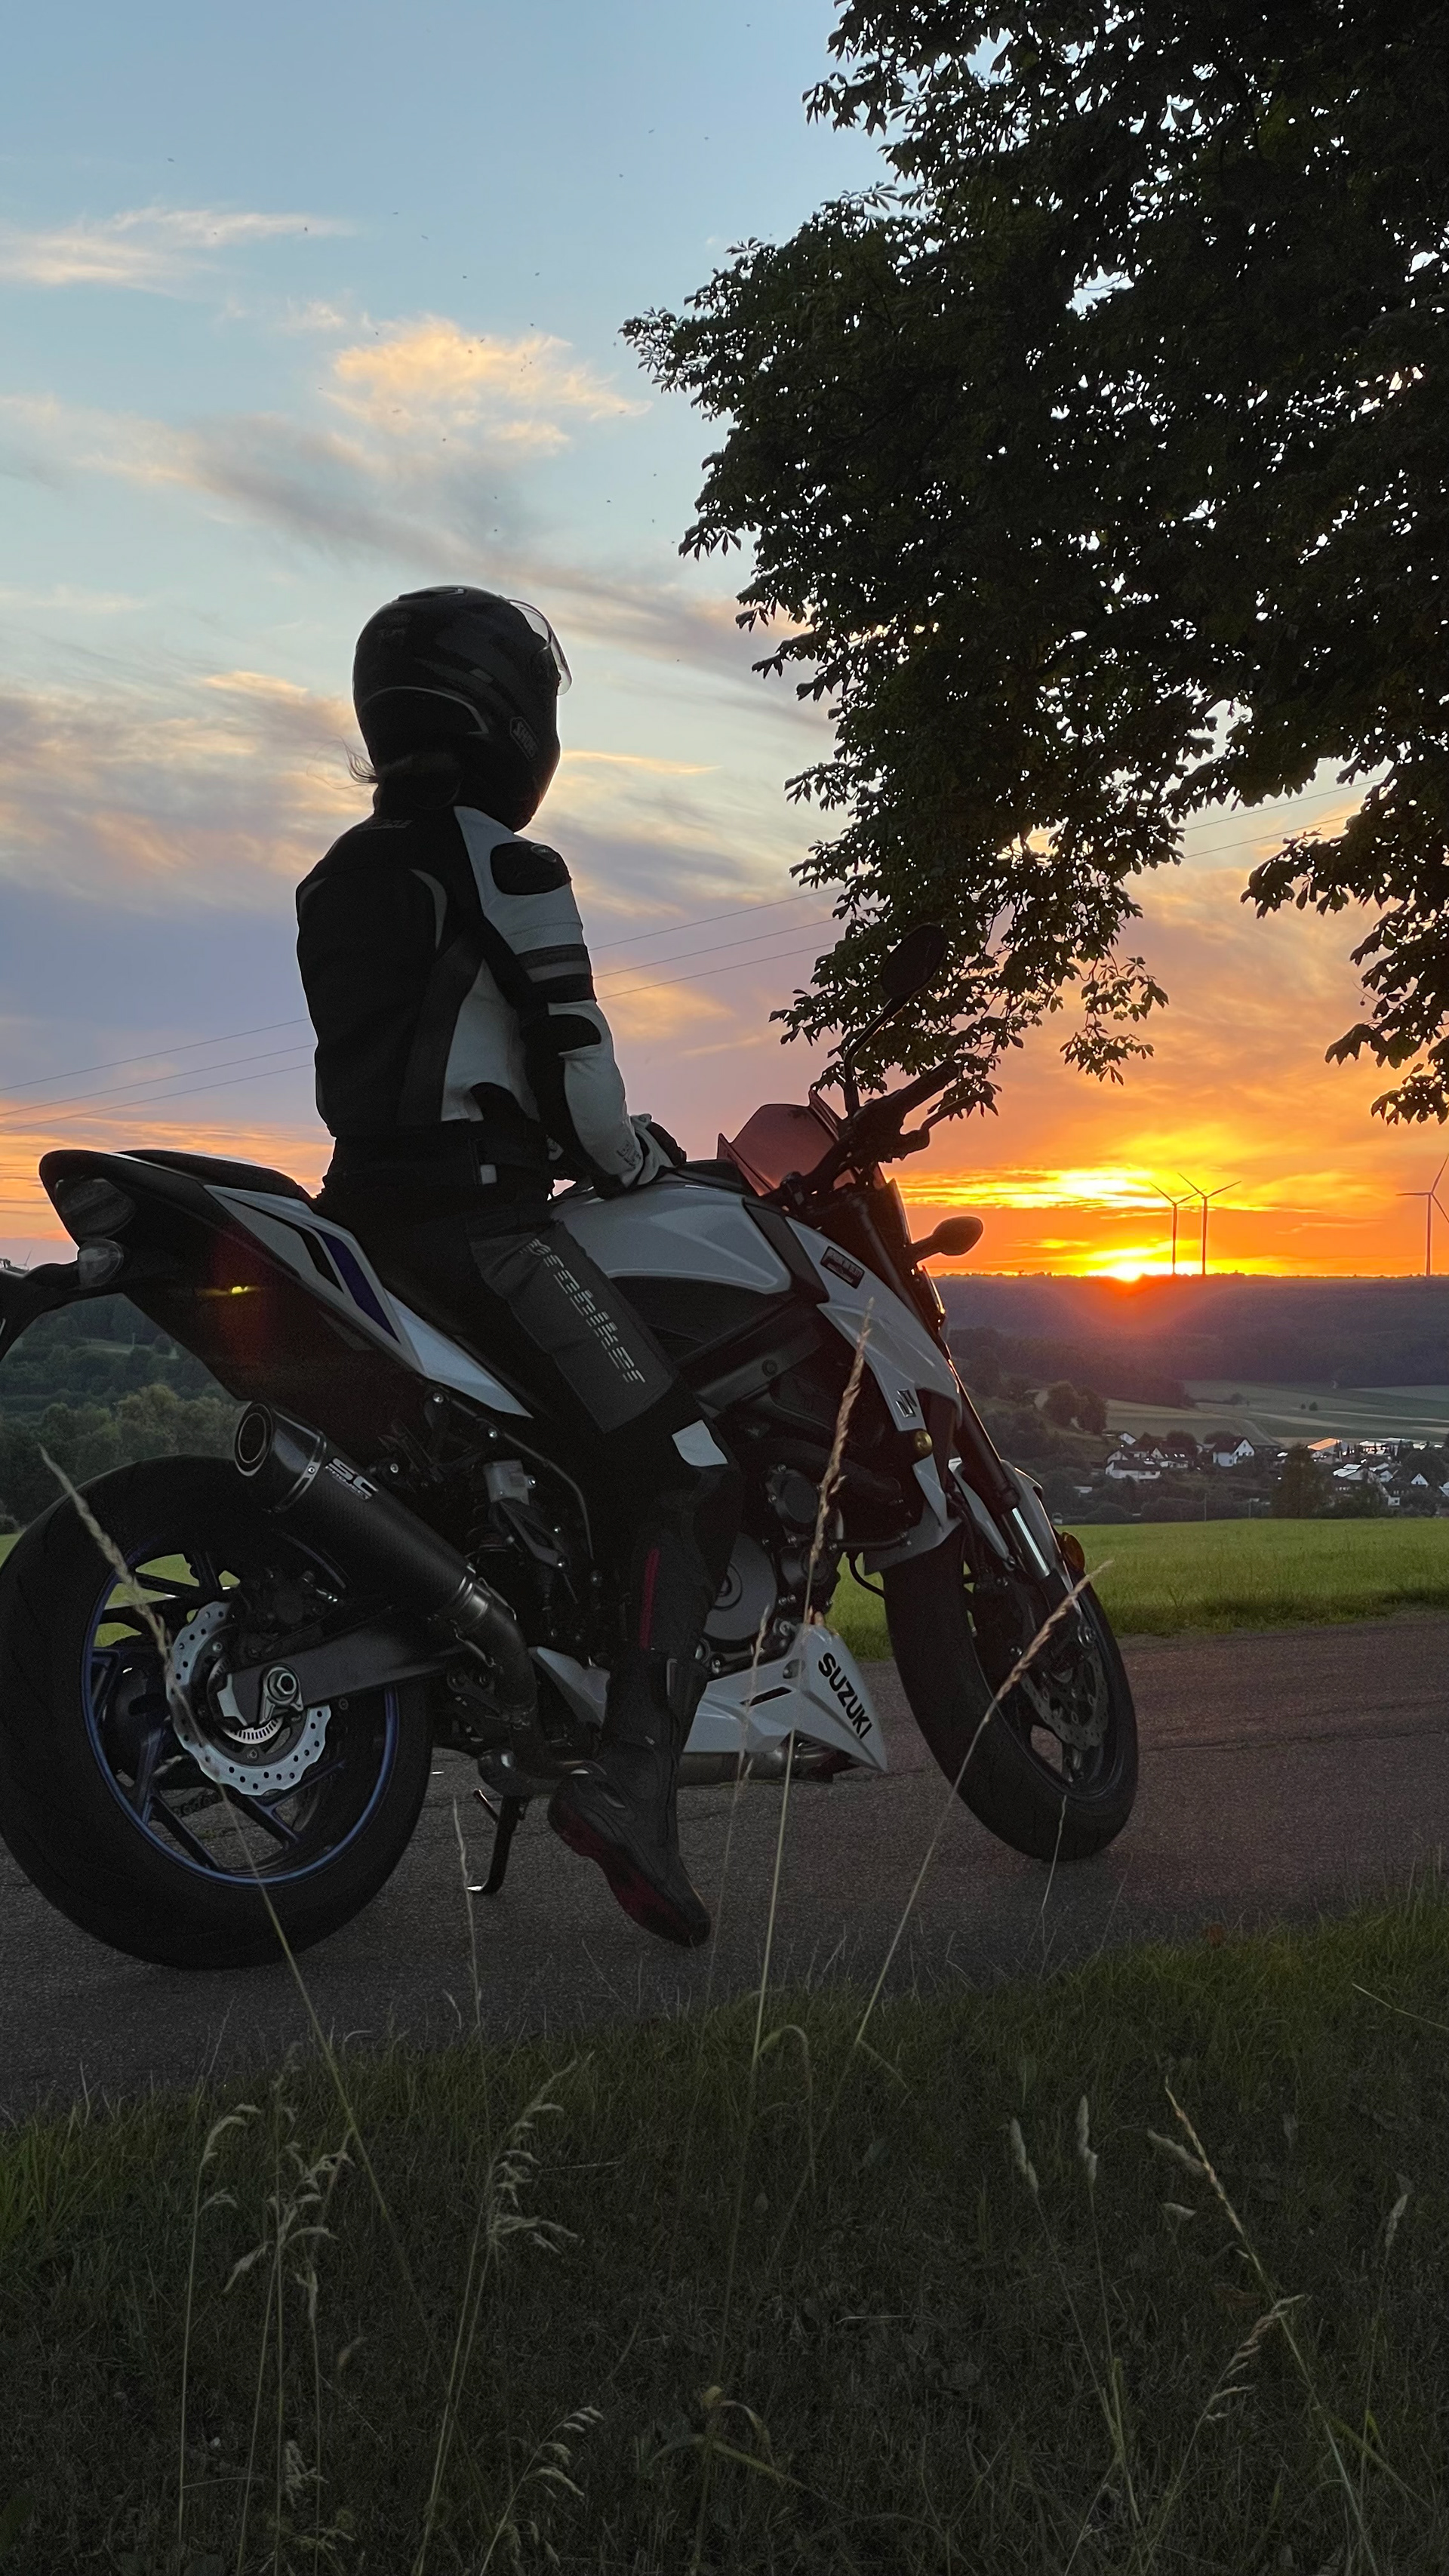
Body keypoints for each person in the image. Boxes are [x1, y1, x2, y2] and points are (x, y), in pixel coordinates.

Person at [295, 585, 741, 1947]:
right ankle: (635, 1788)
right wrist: (629, 1156)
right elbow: (577, 1066)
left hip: (355, 1225)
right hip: (483, 1228)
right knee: (684, 1470)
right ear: (510, 716)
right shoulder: (509, 864)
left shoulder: (334, 878)